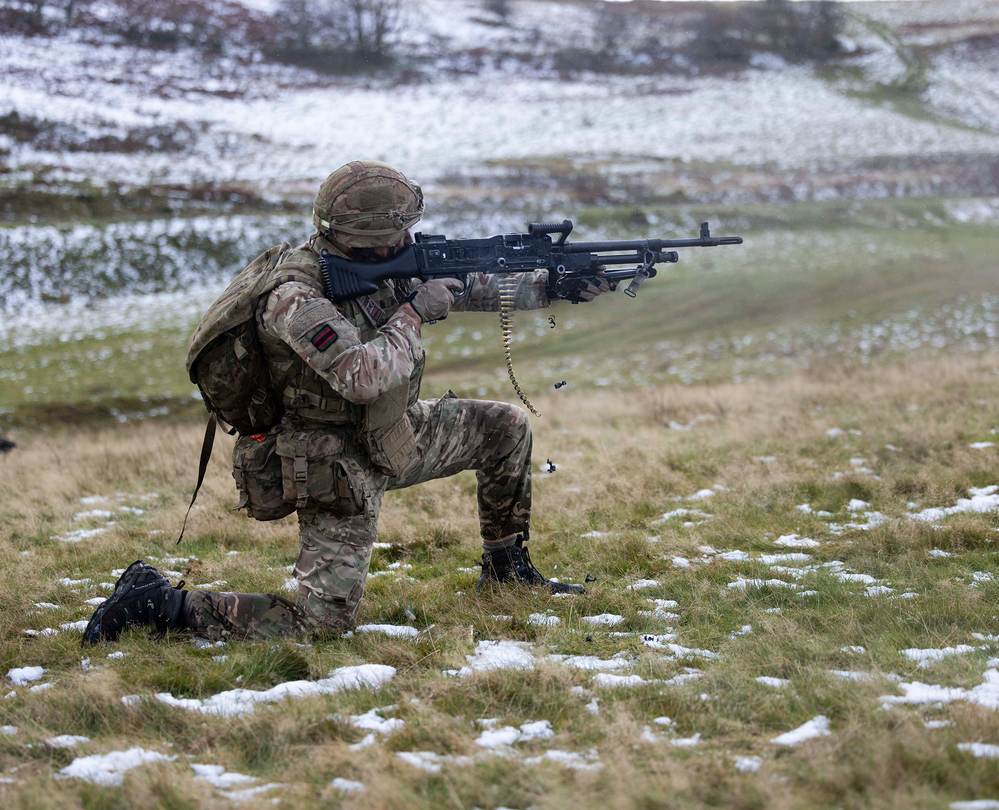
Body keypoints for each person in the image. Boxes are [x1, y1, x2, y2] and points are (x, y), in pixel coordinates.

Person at [83, 161, 615, 645]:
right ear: (366, 237)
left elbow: (469, 284)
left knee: (505, 429)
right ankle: (160, 605)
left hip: (391, 433)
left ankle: (506, 569)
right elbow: (361, 376)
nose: (408, 238)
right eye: (398, 231)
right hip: (333, 462)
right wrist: (413, 314)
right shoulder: (295, 297)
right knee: (320, 627)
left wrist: (555, 285)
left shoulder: (383, 260)